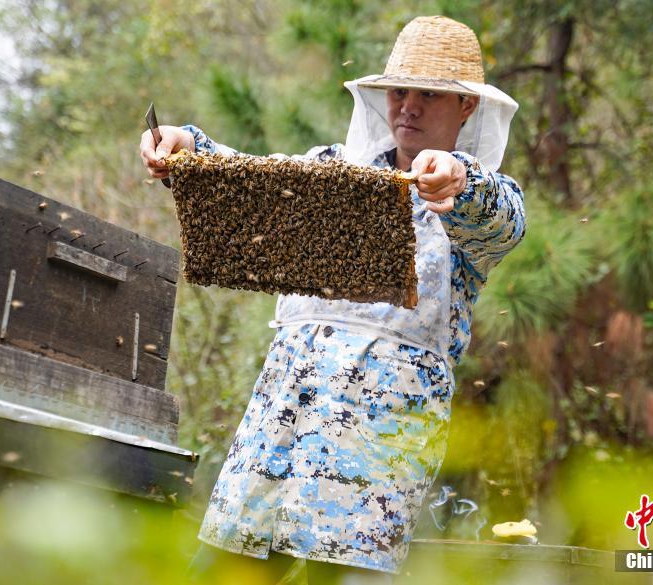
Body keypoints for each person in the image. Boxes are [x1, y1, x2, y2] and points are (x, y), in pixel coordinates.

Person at [140, 15, 526, 585]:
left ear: (465, 107)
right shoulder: (331, 171)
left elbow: (503, 220)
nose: (408, 107)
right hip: (274, 438)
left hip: (372, 469)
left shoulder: (476, 199)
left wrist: (458, 181)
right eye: (400, 91)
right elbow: (247, 177)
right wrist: (185, 147)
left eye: (429, 95)